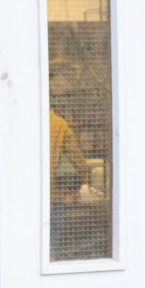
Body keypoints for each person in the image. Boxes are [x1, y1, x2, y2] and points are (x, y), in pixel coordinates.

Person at [50, 109, 88, 257]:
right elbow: (74, 153)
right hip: (54, 187)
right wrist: (84, 175)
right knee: (55, 222)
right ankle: (51, 254)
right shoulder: (59, 124)